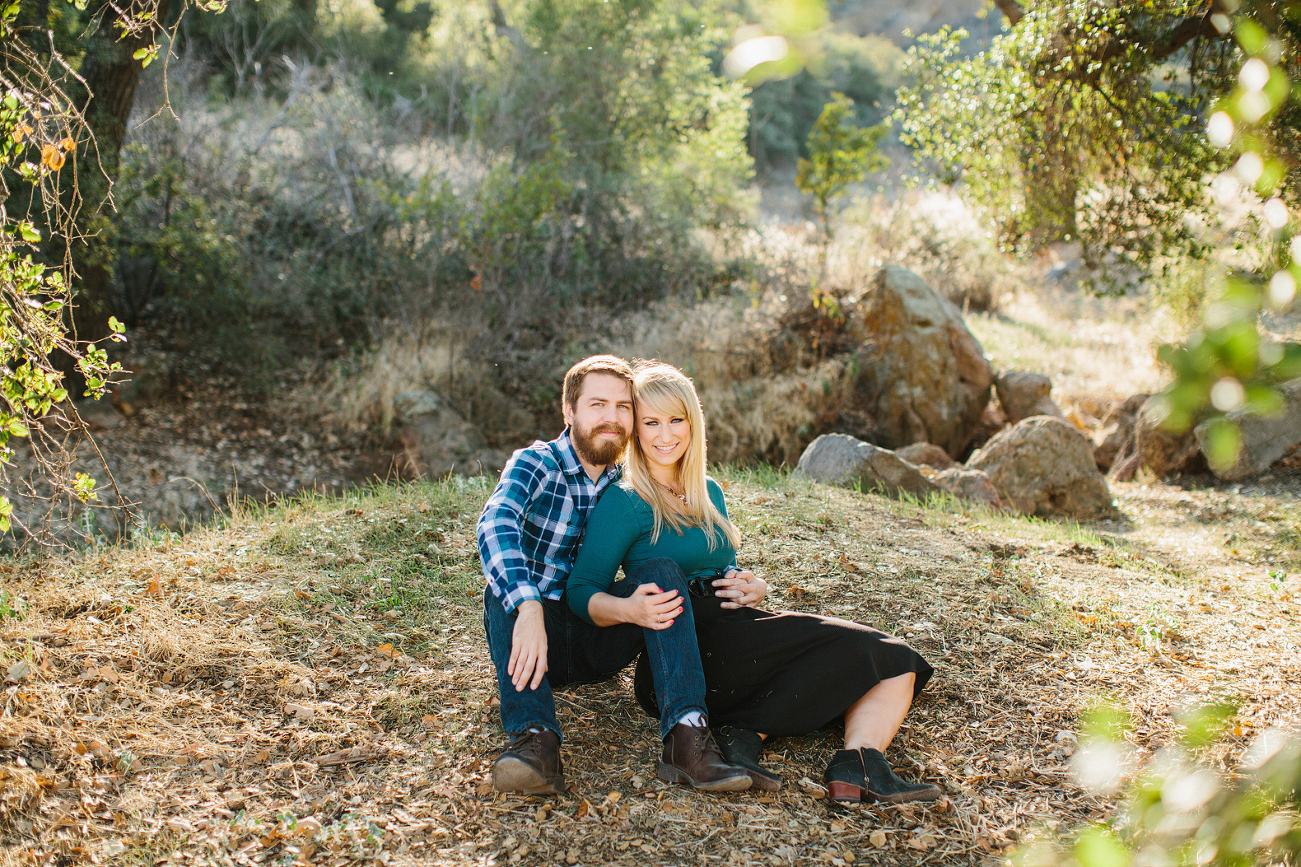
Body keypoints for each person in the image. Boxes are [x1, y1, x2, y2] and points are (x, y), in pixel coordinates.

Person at [566, 361, 941, 804]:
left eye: (676, 420)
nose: (665, 435)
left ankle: (842, 763)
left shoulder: (706, 491)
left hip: (738, 633)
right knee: (892, 659)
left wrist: (750, 585)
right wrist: (629, 609)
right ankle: (807, 754)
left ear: (693, 423)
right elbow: (581, 591)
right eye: (650, 422)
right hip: (682, 651)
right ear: (635, 428)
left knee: (893, 671)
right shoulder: (626, 500)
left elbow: (723, 564)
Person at [477, 355, 751, 795]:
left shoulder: (628, 481)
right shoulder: (536, 463)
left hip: (596, 634)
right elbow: (496, 524)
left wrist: (735, 576)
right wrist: (527, 605)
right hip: (533, 634)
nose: (612, 417)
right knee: (502, 591)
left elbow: (683, 553)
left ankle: (687, 740)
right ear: (570, 411)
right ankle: (536, 744)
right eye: (598, 404)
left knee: (659, 572)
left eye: (623, 406)